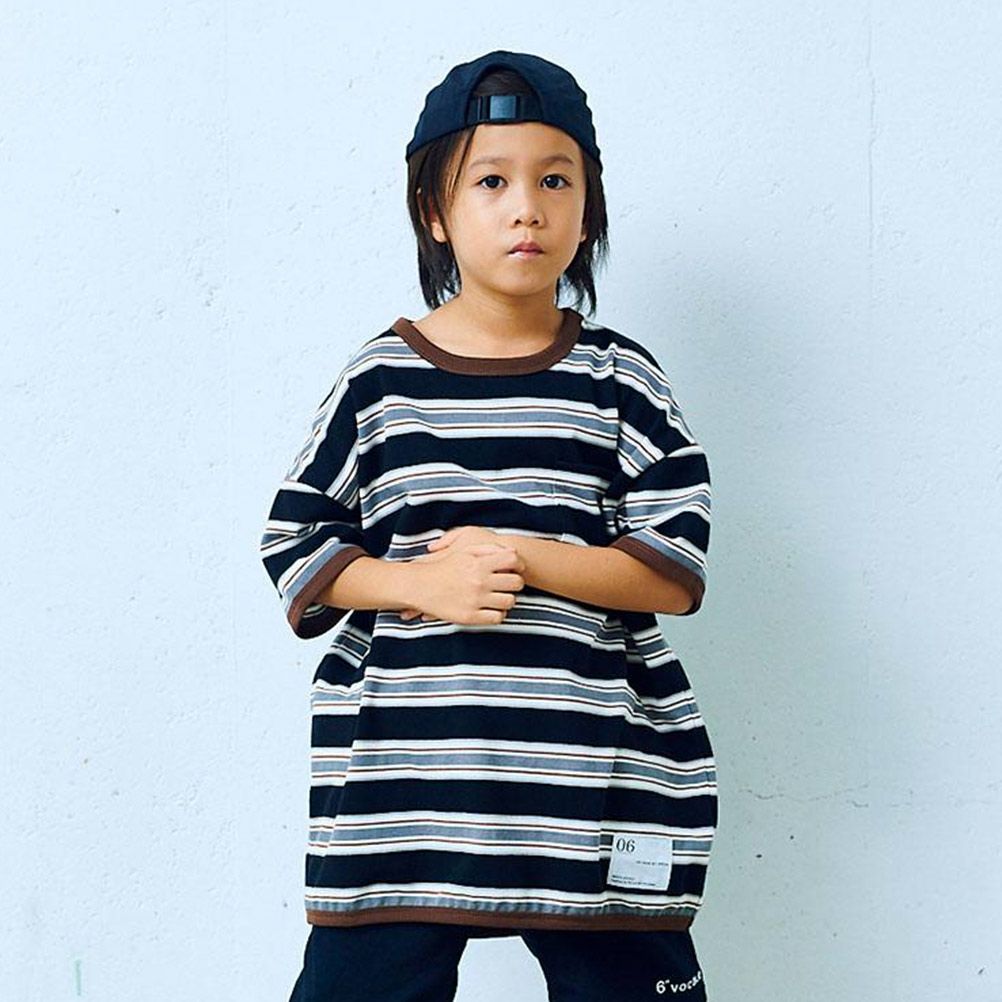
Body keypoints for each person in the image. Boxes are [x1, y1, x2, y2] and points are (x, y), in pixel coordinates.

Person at [260, 49, 714, 1002]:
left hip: (592, 782)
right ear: (436, 211)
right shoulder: (380, 383)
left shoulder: (621, 381)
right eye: (492, 182)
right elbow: (295, 541)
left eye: (556, 181)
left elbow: (671, 570)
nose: (527, 210)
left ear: (588, 207)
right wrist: (416, 583)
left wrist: (524, 558)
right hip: (407, 796)